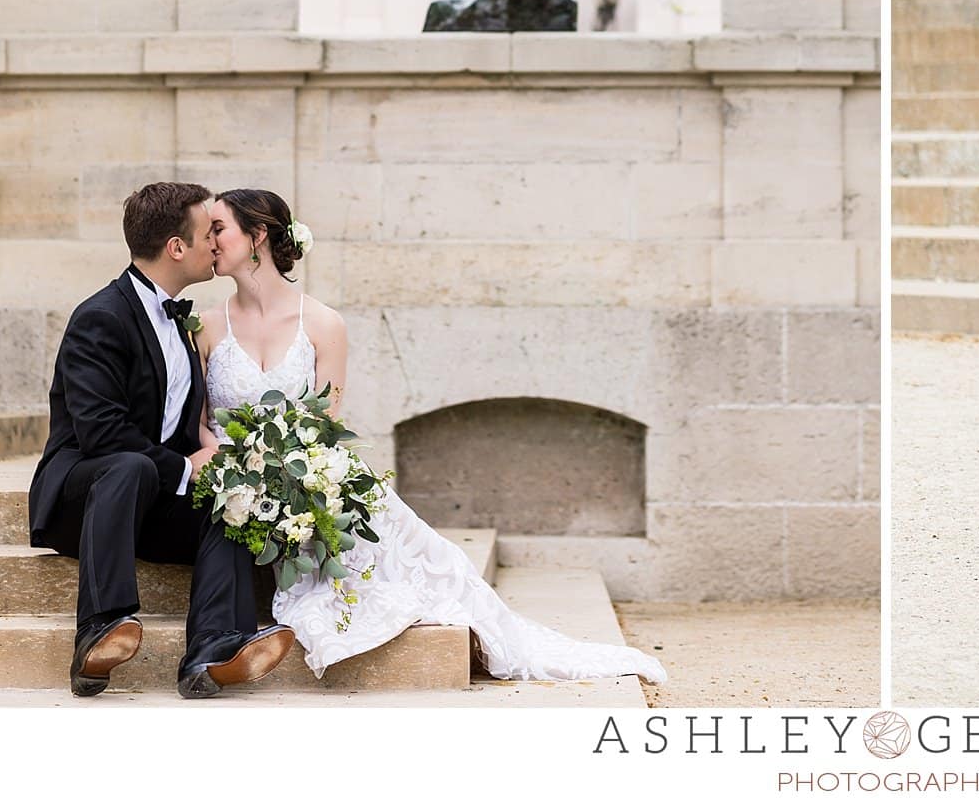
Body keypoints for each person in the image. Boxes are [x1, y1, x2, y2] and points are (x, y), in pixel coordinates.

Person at [196, 188, 667, 684]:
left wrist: (291, 477)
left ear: (259, 235)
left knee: (423, 565)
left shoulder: (322, 323)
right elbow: (201, 425)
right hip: (230, 482)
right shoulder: (205, 327)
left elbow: (325, 422)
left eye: (218, 228)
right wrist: (234, 469)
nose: (209, 240)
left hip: (307, 476)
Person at [28, 181, 294, 696]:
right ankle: (99, 629)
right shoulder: (100, 317)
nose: (214, 245)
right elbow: (101, 433)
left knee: (230, 499)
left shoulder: (181, 321)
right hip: (86, 499)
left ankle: (212, 648)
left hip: (151, 500)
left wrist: (215, 465)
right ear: (177, 248)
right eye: (207, 235)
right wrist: (184, 467)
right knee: (131, 464)